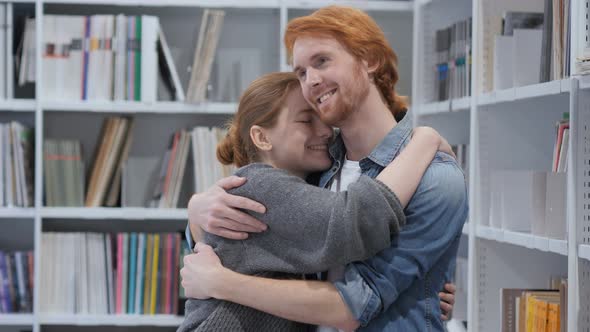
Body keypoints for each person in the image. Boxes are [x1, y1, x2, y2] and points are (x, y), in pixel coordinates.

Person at [184, 5, 468, 331]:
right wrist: (197, 209)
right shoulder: (317, 166)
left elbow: (354, 305)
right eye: (302, 72)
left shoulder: (435, 177)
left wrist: (220, 282)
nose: (312, 81)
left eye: (322, 61)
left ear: (369, 60)